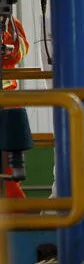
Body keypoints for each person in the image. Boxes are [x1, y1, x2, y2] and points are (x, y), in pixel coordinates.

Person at [2, 15, 30, 198]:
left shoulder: (10, 23)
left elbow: (19, 51)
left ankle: (16, 213)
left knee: (11, 170)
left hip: (7, 104)